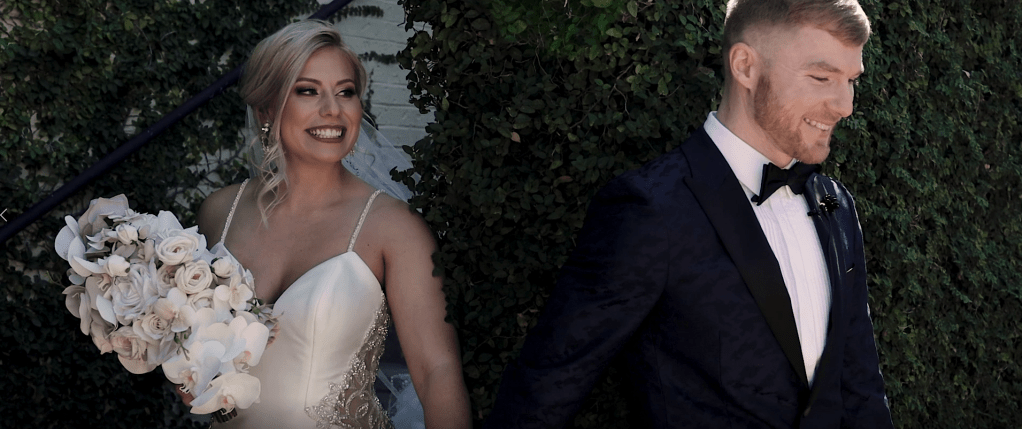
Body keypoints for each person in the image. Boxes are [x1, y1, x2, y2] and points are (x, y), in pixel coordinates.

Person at [485, 0, 894, 427]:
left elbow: (860, 381)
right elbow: (550, 385)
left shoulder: (836, 205)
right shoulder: (651, 208)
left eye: (850, 80)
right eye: (821, 77)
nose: (845, 105)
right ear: (746, 67)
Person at [187, 20, 471, 428]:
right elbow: (198, 355)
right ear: (267, 108)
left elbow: (436, 370)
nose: (332, 110)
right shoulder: (218, 212)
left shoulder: (394, 227)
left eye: (346, 92)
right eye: (307, 91)